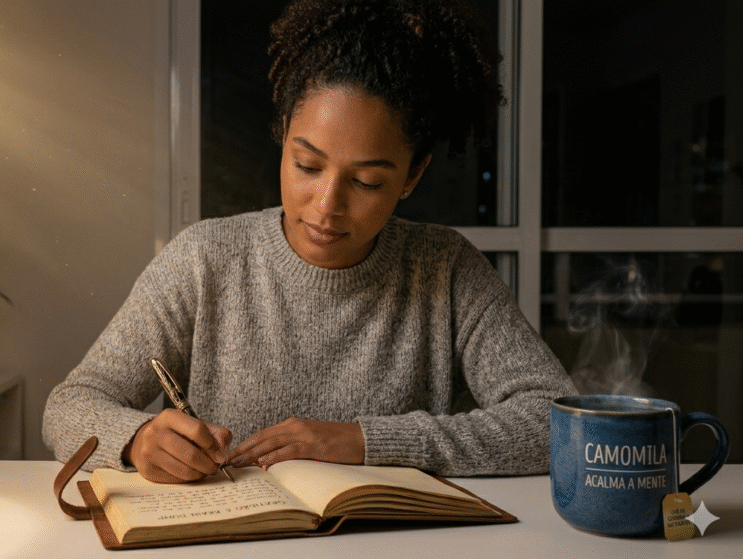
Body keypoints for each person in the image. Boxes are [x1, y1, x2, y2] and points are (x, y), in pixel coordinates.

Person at [43, 0, 576, 483]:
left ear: (412, 176)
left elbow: (556, 420)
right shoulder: (203, 259)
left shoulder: (445, 268)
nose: (326, 206)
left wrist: (368, 441)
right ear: (282, 138)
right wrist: (136, 440)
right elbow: (70, 406)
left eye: (367, 182)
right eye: (307, 164)